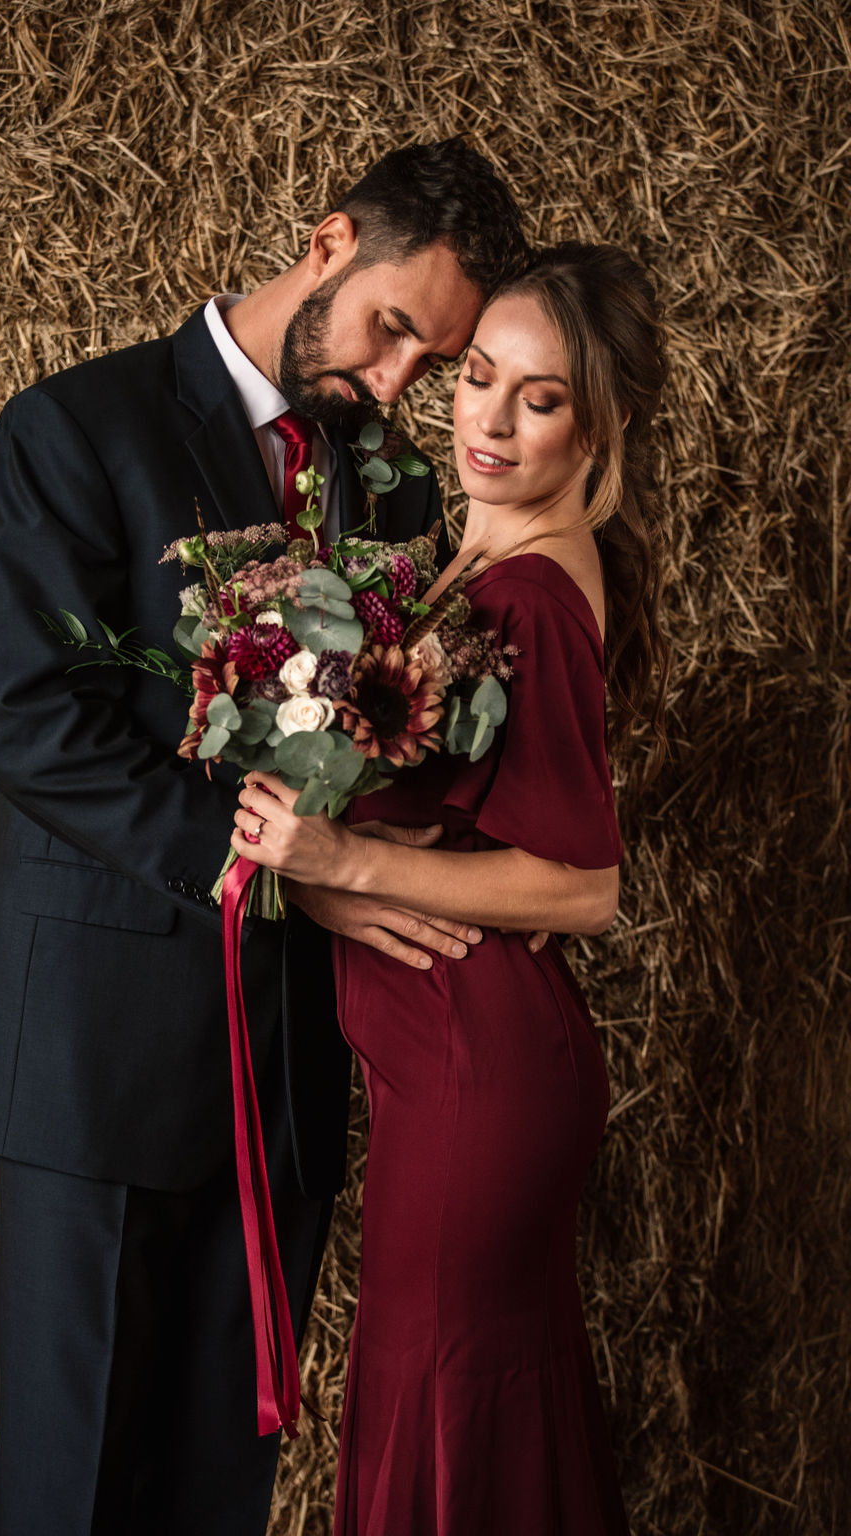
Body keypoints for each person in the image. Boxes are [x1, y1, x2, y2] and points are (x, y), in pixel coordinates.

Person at [0, 139, 530, 1534]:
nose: (393, 388)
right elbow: (35, 730)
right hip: (98, 1049)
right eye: (390, 333)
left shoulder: (393, 491)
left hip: (287, 1061)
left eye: (427, 366)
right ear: (327, 243)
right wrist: (282, 871)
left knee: (217, 1495)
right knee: (74, 1493)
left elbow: (385, 745)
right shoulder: (76, 427)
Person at [233, 241, 669, 1534]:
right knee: (467, 1413)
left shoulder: (532, 590)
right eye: (479, 376)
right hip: (455, 1068)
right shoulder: (472, 570)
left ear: (601, 428)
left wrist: (344, 859)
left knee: (447, 1415)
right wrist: (314, 880)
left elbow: (588, 886)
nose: (488, 415)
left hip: (481, 1081)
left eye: (538, 399)